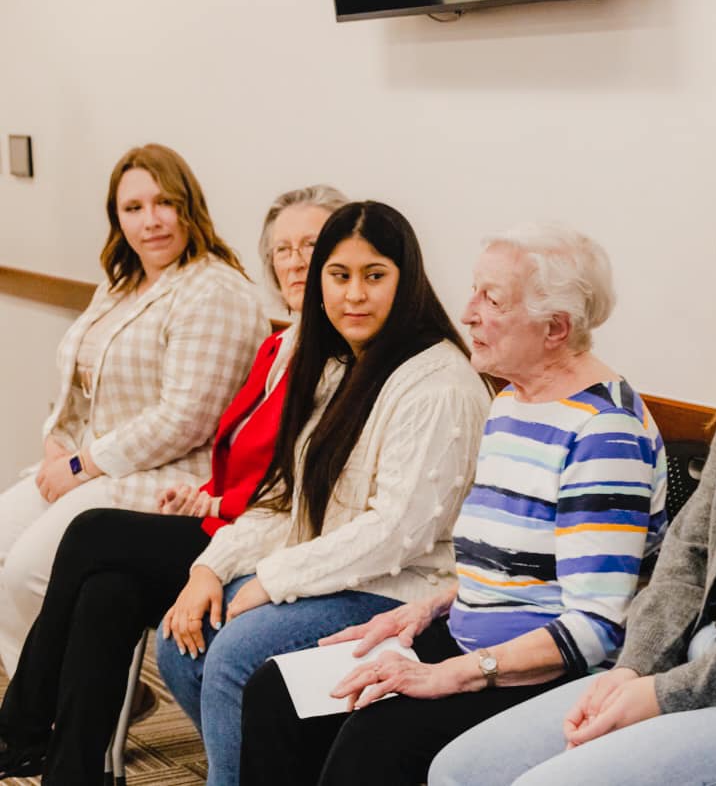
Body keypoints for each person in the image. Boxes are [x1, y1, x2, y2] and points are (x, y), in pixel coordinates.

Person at [428, 175, 716, 786]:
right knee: (460, 770)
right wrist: (636, 668)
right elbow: (687, 553)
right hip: (688, 665)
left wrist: (662, 693)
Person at [237, 223, 668, 786]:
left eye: (491, 300)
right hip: (468, 633)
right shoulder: (513, 400)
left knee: (371, 746)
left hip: (540, 672)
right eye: (474, 291)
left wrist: (456, 675)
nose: (466, 312)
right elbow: (509, 565)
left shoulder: (604, 436)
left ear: (555, 328)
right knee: (279, 694)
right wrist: (428, 609)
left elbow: (596, 628)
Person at [0, 185, 346, 784]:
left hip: (269, 543)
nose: (294, 261)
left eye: (311, 247)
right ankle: (72, 770)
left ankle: (20, 728)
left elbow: (299, 494)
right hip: (230, 515)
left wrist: (220, 513)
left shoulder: (340, 359)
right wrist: (211, 495)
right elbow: (255, 464)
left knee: (92, 533)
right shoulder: (281, 346)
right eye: (283, 250)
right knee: (107, 587)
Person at [155, 200, 490, 786]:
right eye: (339, 277)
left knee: (236, 651)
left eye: (375, 276)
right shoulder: (339, 366)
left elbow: (394, 534)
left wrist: (273, 580)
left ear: (406, 281)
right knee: (182, 637)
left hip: (404, 591)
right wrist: (211, 568)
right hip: (338, 576)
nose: (354, 295)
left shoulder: (438, 383)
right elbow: (286, 501)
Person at [0, 143, 268, 672]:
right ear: (117, 218)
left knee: (26, 571)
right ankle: (38, 706)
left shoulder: (215, 290)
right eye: (134, 208)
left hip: (166, 478)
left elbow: (184, 418)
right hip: (91, 465)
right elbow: (77, 375)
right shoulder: (122, 283)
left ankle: (56, 704)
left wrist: (80, 465)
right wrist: (57, 438)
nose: (152, 221)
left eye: (165, 203)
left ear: (190, 206)